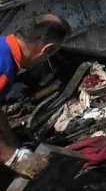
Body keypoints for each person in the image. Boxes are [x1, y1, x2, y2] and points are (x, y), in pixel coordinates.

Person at [0, 14, 71, 178]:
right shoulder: (3, 68)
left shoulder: (3, 47)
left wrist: (13, 142)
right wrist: (12, 158)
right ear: (46, 49)